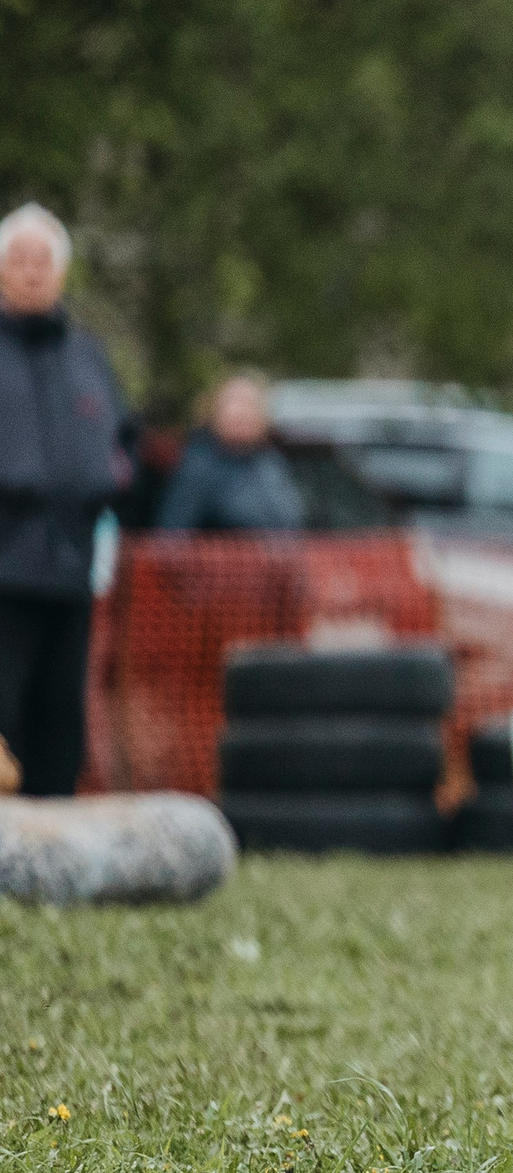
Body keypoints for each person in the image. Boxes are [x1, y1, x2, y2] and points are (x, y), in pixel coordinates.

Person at [0, 202, 135, 796]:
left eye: (43, 260)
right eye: (19, 259)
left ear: (60, 273)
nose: (32, 271)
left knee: (60, 718)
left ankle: (52, 846)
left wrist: (111, 482)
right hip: (3, 571)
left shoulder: (88, 358)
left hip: (70, 566)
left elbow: (122, 441)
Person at [158, 374, 304, 531]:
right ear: (215, 412)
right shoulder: (198, 466)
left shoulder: (270, 463)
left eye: (249, 405)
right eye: (233, 404)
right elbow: (173, 534)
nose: (241, 412)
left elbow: (290, 520)